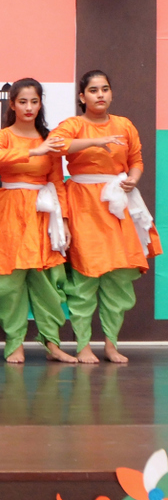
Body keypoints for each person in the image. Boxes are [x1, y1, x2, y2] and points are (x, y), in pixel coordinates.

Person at [51, 70, 161, 363]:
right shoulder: (73, 125)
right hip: (83, 203)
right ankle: (83, 344)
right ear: (81, 96)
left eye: (105, 89)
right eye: (94, 90)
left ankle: (111, 343)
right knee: (86, 275)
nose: (100, 94)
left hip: (116, 204)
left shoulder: (124, 125)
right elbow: (57, 145)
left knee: (118, 275)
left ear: (111, 94)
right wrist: (93, 143)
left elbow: (135, 159)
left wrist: (134, 178)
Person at [0, 78, 76, 363]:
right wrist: (32, 152)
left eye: (34, 101)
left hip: (41, 212)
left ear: (41, 103)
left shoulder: (49, 139)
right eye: (22, 102)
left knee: (46, 279)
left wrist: (63, 220)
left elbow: (57, 181)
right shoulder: (2, 136)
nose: (28, 107)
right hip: (9, 210)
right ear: (11, 104)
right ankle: (14, 341)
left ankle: (52, 343)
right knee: (7, 282)